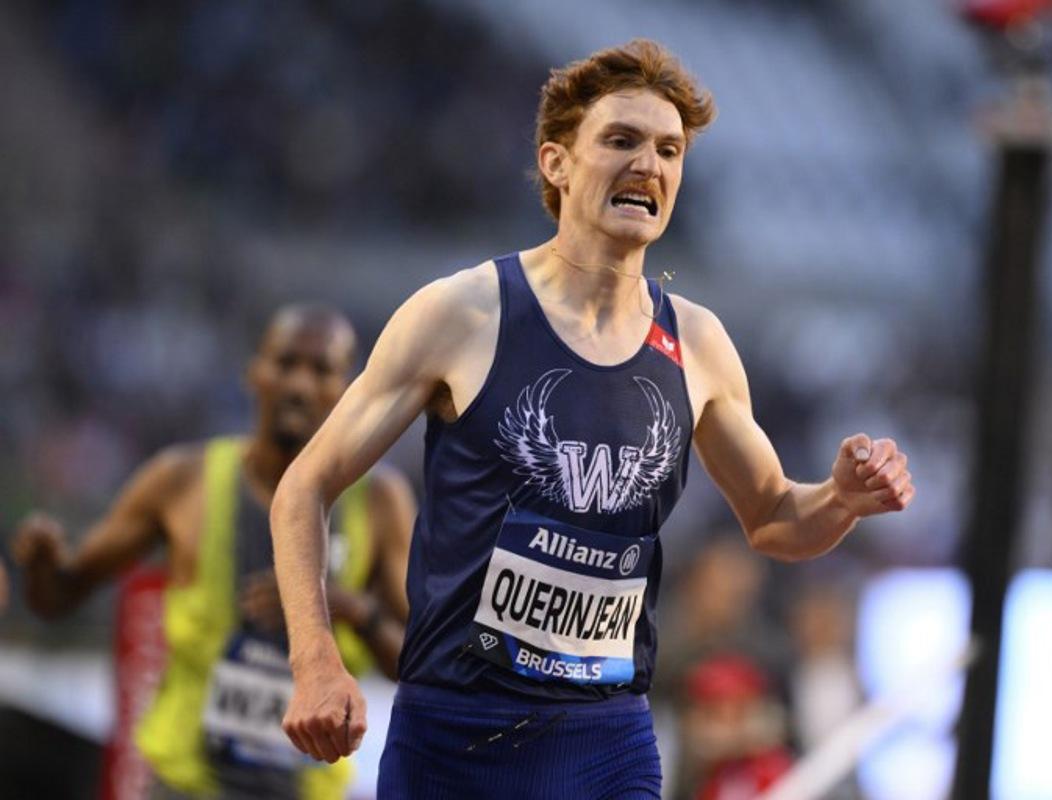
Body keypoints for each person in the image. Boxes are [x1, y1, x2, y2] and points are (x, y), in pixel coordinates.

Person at [271, 39, 914, 798]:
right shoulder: (463, 313)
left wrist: (840, 498)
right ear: (557, 163)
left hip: (604, 743)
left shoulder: (698, 344)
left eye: (669, 150)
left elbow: (774, 517)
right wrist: (315, 660)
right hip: (452, 738)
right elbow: (303, 489)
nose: (650, 164)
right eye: (621, 141)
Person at [11, 305, 415, 800]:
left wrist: (353, 609)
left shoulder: (378, 502)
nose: (300, 385)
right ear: (255, 372)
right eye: (286, 363)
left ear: (347, 386)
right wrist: (42, 564)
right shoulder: (181, 480)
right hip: (185, 786)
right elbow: (57, 599)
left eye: (321, 369)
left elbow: (419, 661)